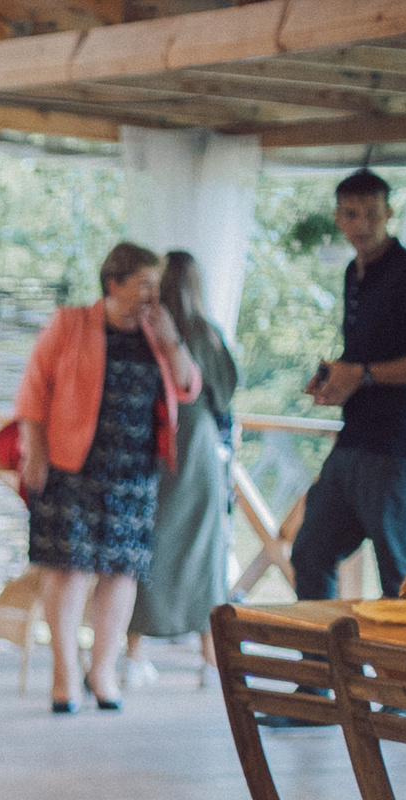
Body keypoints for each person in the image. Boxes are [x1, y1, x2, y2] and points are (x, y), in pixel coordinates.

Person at [15, 241, 203, 712]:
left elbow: (188, 387)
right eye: (144, 284)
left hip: (133, 472)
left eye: (155, 285)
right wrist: (34, 451)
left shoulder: (157, 330)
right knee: (68, 569)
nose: (152, 295)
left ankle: (102, 672)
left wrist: (170, 339)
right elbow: (33, 390)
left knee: (121, 572)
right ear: (113, 283)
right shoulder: (70, 324)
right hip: (70, 466)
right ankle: (64, 675)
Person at [287, 168, 406, 598]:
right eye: (351, 214)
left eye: (371, 213)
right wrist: (335, 379)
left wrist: (362, 375)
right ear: (339, 219)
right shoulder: (352, 273)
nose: (361, 224)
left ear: (389, 213)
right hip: (355, 440)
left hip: (401, 447)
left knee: (400, 578)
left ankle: (403, 669)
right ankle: (329, 664)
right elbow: (366, 354)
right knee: (309, 553)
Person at [126, 250, 238, 684]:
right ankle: (210, 658)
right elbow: (224, 393)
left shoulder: (144, 328)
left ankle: (134, 651)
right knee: (203, 546)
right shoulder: (205, 334)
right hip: (198, 445)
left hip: (154, 441)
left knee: (147, 541)